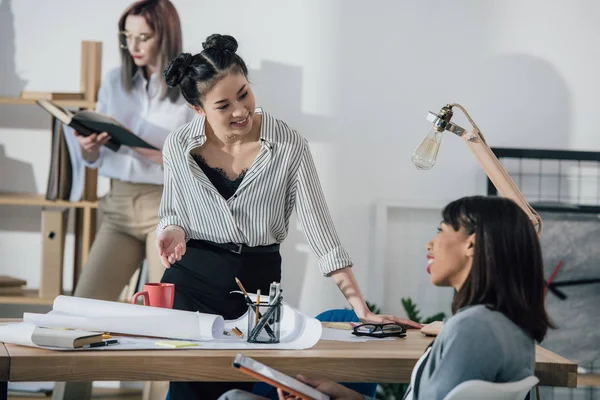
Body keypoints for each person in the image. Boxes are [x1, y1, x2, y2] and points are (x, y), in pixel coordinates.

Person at [155, 33, 421, 399]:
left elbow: (320, 230)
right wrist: (172, 230)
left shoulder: (288, 145)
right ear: (198, 109)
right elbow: (173, 210)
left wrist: (360, 308)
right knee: (189, 391)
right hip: (191, 285)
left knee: (243, 388)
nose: (240, 110)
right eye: (223, 105)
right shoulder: (178, 146)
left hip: (257, 290)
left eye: (244, 93)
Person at [220, 195, 555, 400]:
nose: (430, 244)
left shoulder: (472, 329)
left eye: (441, 230)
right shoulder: (515, 332)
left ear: (471, 243)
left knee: (236, 397)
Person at [53, 1, 194, 400]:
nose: (134, 45)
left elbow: (194, 162)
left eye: (144, 37)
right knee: (80, 312)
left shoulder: (188, 90)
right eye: (127, 37)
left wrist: (142, 147)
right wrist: (90, 145)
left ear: (165, 35)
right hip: (116, 205)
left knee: (165, 321)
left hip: (165, 208)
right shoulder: (115, 81)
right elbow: (96, 158)